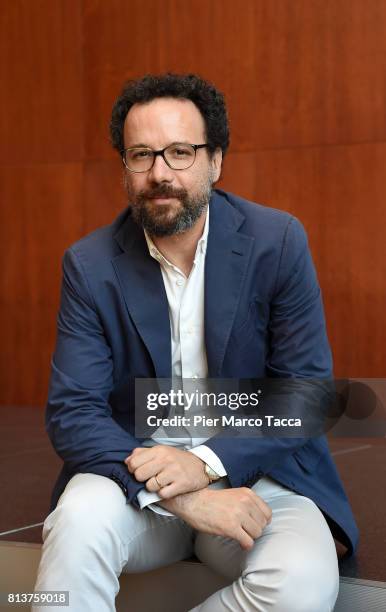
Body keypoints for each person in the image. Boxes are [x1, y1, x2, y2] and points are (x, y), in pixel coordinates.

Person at [33, 73, 358, 612]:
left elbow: (305, 395)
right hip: (131, 476)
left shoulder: (276, 242)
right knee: (75, 526)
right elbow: (73, 413)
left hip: (256, 474)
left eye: (180, 152)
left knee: (300, 583)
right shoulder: (89, 266)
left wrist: (206, 463)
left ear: (216, 161)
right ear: (125, 167)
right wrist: (183, 494)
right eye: (141, 155)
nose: (159, 173)